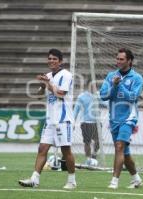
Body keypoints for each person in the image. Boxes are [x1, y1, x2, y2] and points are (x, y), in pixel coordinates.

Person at [18, 49, 76, 189]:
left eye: (54, 59)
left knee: (65, 150)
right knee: (42, 148)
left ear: (60, 61)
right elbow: (38, 95)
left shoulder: (66, 75)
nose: (51, 61)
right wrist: (42, 85)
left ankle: (71, 181)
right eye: (49, 58)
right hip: (50, 119)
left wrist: (48, 83)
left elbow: (61, 94)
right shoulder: (48, 75)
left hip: (63, 119)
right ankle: (34, 179)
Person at [100, 48, 143, 189]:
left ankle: (114, 181)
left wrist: (120, 86)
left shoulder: (137, 78)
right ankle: (136, 178)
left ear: (129, 61)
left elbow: (133, 97)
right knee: (124, 152)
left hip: (129, 117)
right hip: (114, 118)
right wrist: (114, 85)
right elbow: (103, 96)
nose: (118, 61)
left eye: (121, 59)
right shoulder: (111, 76)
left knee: (119, 147)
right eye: (117, 58)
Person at [73, 81, 100, 165]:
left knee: (98, 141)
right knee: (87, 142)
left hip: (97, 122)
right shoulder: (82, 96)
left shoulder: (98, 95)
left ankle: (94, 155)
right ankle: (88, 159)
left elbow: (106, 103)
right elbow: (76, 109)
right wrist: (73, 122)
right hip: (86, 122)